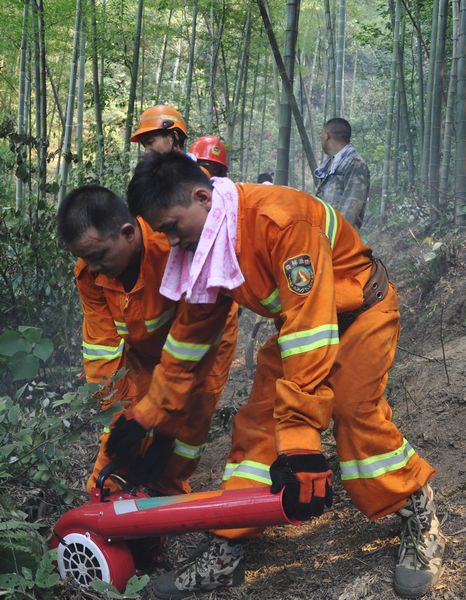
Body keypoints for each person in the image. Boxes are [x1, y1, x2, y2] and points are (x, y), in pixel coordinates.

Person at [110, 151, 445, 599]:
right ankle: (226, 550)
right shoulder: (209, 241)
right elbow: (192, 333)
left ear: (201, 197)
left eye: (171, 226)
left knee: (353, 414)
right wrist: (149, 411)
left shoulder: (281, 221)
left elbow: (312, 329)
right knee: (254, 430)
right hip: (303, 327)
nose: (170, 242)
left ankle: (419, 514)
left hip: (360, 314)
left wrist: (303, 443)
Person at [57, 184, 238, 498]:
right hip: (143, 354)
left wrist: (166, 427)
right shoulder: (89, 274)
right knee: (125, 437)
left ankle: (166, 502)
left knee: (183, 434)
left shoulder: (172, 247)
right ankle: (108, 503)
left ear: (128, 233)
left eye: (98, 256)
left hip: (201, 349)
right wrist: (117, 429)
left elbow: (191, 350)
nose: (95, 267)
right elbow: (103, 363)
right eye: (86, 259)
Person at [315, 118, 370, 230]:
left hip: (340, 240)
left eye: (321, 135)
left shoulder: (355, 163)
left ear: (326, 136)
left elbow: (351, 209)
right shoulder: (331, 164)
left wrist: (335, 237)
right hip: (324, 237)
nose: (321, 138)